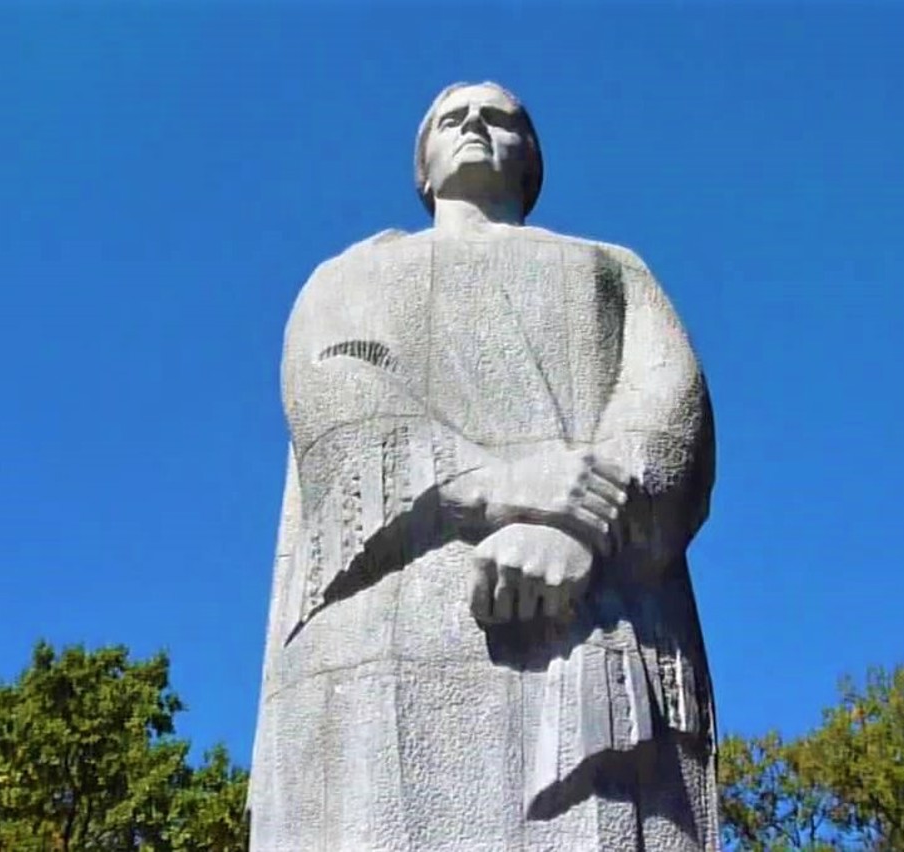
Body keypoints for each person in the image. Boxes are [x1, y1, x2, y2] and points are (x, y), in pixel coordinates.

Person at [249, 81, 721, 851]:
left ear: (531, 163)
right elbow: (332, 393)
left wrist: (578, 531)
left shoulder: (611, 268)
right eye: (451, 118)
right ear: (424, 170)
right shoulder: (352, 275)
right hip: (394, 620)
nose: (474, 123)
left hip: (593, 613)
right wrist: (501, 485)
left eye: (500, 117)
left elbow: (671, 406)